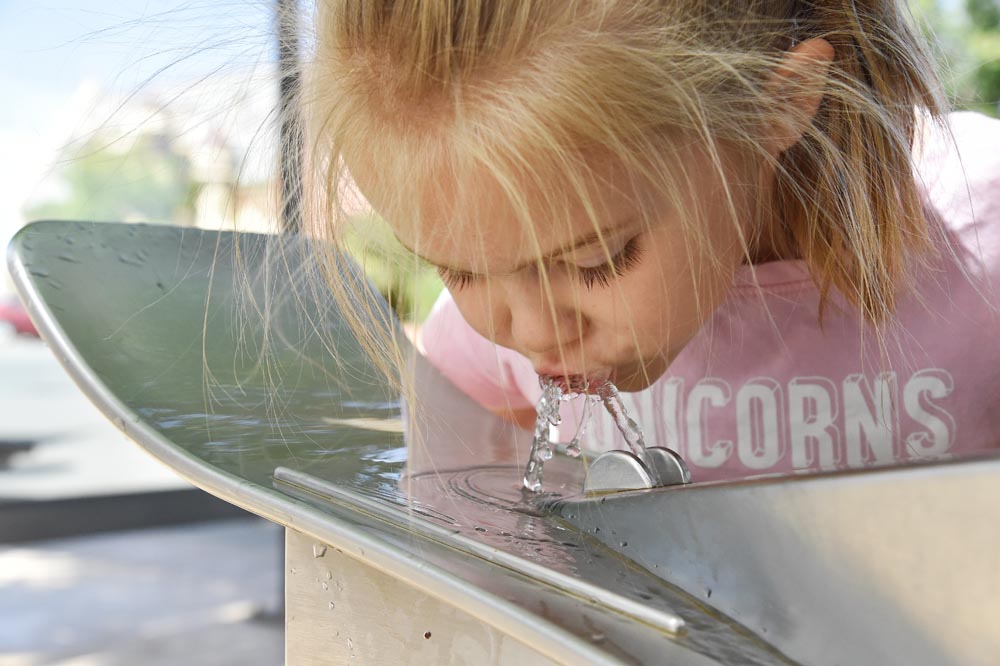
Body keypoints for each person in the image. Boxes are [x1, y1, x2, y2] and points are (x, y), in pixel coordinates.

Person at [300, 1, 1000, 483]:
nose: (532, 332)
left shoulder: (981, 242)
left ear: (776, 105)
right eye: (460, 270)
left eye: (594, 261)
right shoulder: (476, 360)